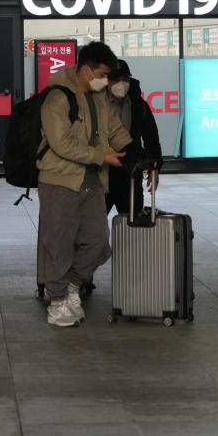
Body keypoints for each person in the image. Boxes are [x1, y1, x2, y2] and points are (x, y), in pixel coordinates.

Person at [37, 41, 138, 327]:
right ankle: (57, 304)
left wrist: (133, 152)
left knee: (98, 244)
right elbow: (61, 144)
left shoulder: (98, 98)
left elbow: (114, 130)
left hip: (93, 181)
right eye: (103, 74)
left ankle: (70, 288)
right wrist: (101, 156)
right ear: (85, 70)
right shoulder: (58, 98)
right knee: (60, 245)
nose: (107, 81)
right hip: (60, 180)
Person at [104, 59, 162, 214]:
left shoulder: (138, 104)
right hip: (101, 174)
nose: (121, 83)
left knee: (133, 225)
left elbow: (151, 137)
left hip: (129, 174)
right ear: (106, 81)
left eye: (125, 79)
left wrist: (155, 168)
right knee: (93, 229)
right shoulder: (97, 104)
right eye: (116, 79)